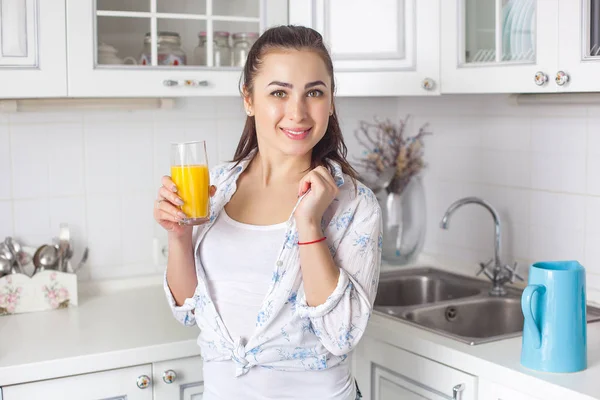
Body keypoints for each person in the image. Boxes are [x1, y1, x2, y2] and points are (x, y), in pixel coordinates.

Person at [154, 25, 382, 400]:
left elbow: (341, 334)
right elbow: (188, 311)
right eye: (279, 92)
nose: (298, 113)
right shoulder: (213, 189)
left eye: (314, 93)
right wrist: (178, 234)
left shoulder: (353, 204)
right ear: (249, 99)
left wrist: (309, 223)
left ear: (331, 101)